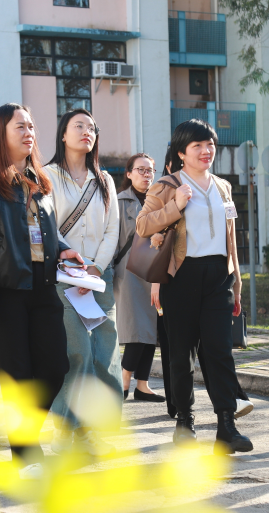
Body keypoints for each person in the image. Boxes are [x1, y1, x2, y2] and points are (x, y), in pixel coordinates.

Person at [0, 103, 83, 478]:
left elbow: (48, 229)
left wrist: (64, 248)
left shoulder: (39, 180)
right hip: (5, 291)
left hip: (43, 288)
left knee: (54, 367)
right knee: (16, 375)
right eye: (20, 126)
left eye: (31, 125)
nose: (29, 131)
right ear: (1, 134)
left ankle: (26, 438)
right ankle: (27, 454)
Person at [136, 119, 253, 454]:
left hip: (218, 275)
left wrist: (237, 283)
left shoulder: (222, 187)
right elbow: (143, 226)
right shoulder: (167, 185)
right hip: (182, 276)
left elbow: (230, 239)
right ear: (181, 153)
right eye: (198, 146)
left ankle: (226, 427)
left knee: (219, 351)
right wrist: (175, 206)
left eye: (210, 145)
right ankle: (185, 422)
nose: (206, 151)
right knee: (181, 352)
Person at [44, 109, 121, 456]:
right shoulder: (45, 176)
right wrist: (73, 262)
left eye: (92, 127)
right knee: (78, 353)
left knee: (104, 353)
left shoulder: (104, 181)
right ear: (63, 134)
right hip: (62, 279)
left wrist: (96, 267)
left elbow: (112, 230)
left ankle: (92, 428)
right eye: (79, 126)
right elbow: (46, 228)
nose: (86, 132)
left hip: (99, 281)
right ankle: (67, 429)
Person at [113, 153, 165, 403]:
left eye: (150, 171)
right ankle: (123, 382)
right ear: (129, 173)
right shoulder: (118, 201)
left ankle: (142, 386)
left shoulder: (159, 201)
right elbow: (112, 239)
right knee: (137, 331)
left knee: (150, 331)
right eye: (141, 170)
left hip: (155, 271)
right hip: (129, 272)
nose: (146, 175)